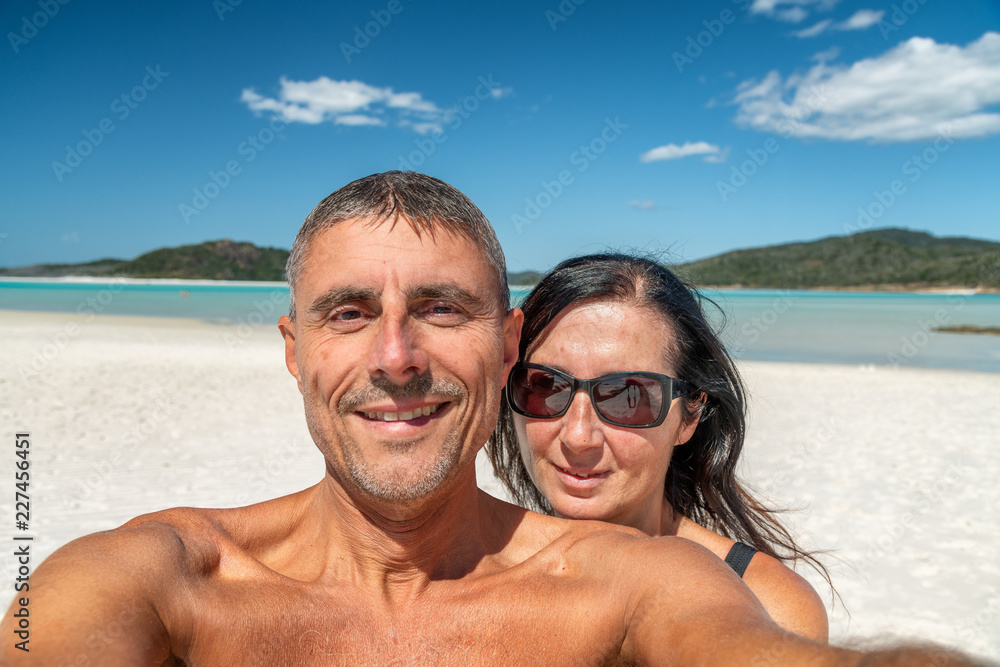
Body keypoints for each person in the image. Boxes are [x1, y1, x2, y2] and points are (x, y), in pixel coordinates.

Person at [0, 172, 979, 666]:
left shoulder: (636, 583)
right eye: (349, 312)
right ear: (294, 348)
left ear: (502, 347)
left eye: (441, 307)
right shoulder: (160, 572)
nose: (395, 358)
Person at [488, 253, 831, 641]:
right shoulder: (470, 574)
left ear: (689, 416)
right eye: (545, 387)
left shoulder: (768, 608)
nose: (578, 436)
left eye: (628, 398)